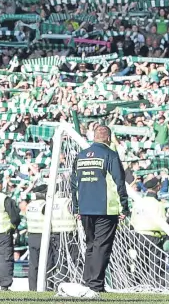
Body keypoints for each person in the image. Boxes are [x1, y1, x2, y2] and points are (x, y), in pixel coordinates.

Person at [71, 125, 129, 293]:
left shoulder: (80, 156)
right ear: (109, 138)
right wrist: (124, 207)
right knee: (101, 246)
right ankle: (95, 286)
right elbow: (119, 183)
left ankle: (88, 281)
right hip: (105, 208)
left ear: (93, 136)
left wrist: (76, 207)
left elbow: (73, 184)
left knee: (91, 245)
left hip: (85, 208)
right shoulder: (110, 155)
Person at [130, 177, 167, 284]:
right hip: (153, 237)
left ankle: (138, 286)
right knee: (156, 266)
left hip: (139, 236)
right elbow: (162, 224)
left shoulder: (138, 203)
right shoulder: (158, 204)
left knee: (141, 265)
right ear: (158, 187)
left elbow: (133, 221)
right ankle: (155, 287)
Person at [25, 184, 48, 291]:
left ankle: (33, 288)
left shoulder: (30, 205)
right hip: (43, 236)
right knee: (46, 263)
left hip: (32, 236)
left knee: (33, 264)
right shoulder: (45, 205)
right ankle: (47, 287)